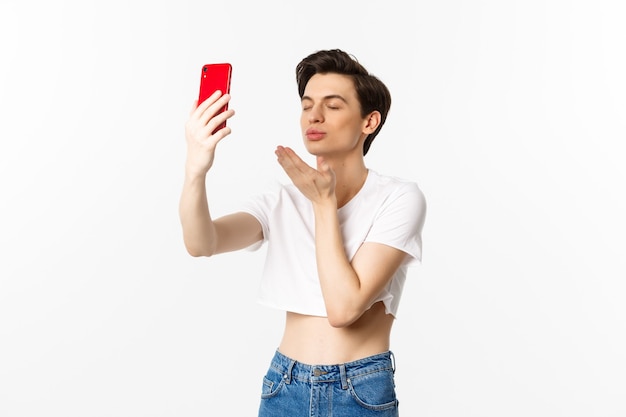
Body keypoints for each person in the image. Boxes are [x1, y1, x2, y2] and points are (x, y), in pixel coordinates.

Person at [180, 48, 427, 417]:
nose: (314, 115)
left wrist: (324, 205)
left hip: (359, 390)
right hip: (286, 385)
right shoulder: (280, 199)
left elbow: (344, 308)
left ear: (369, 122)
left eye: (333, 105)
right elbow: (203, 243)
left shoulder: (399, 198)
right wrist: (195, 170)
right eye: (307, 103)